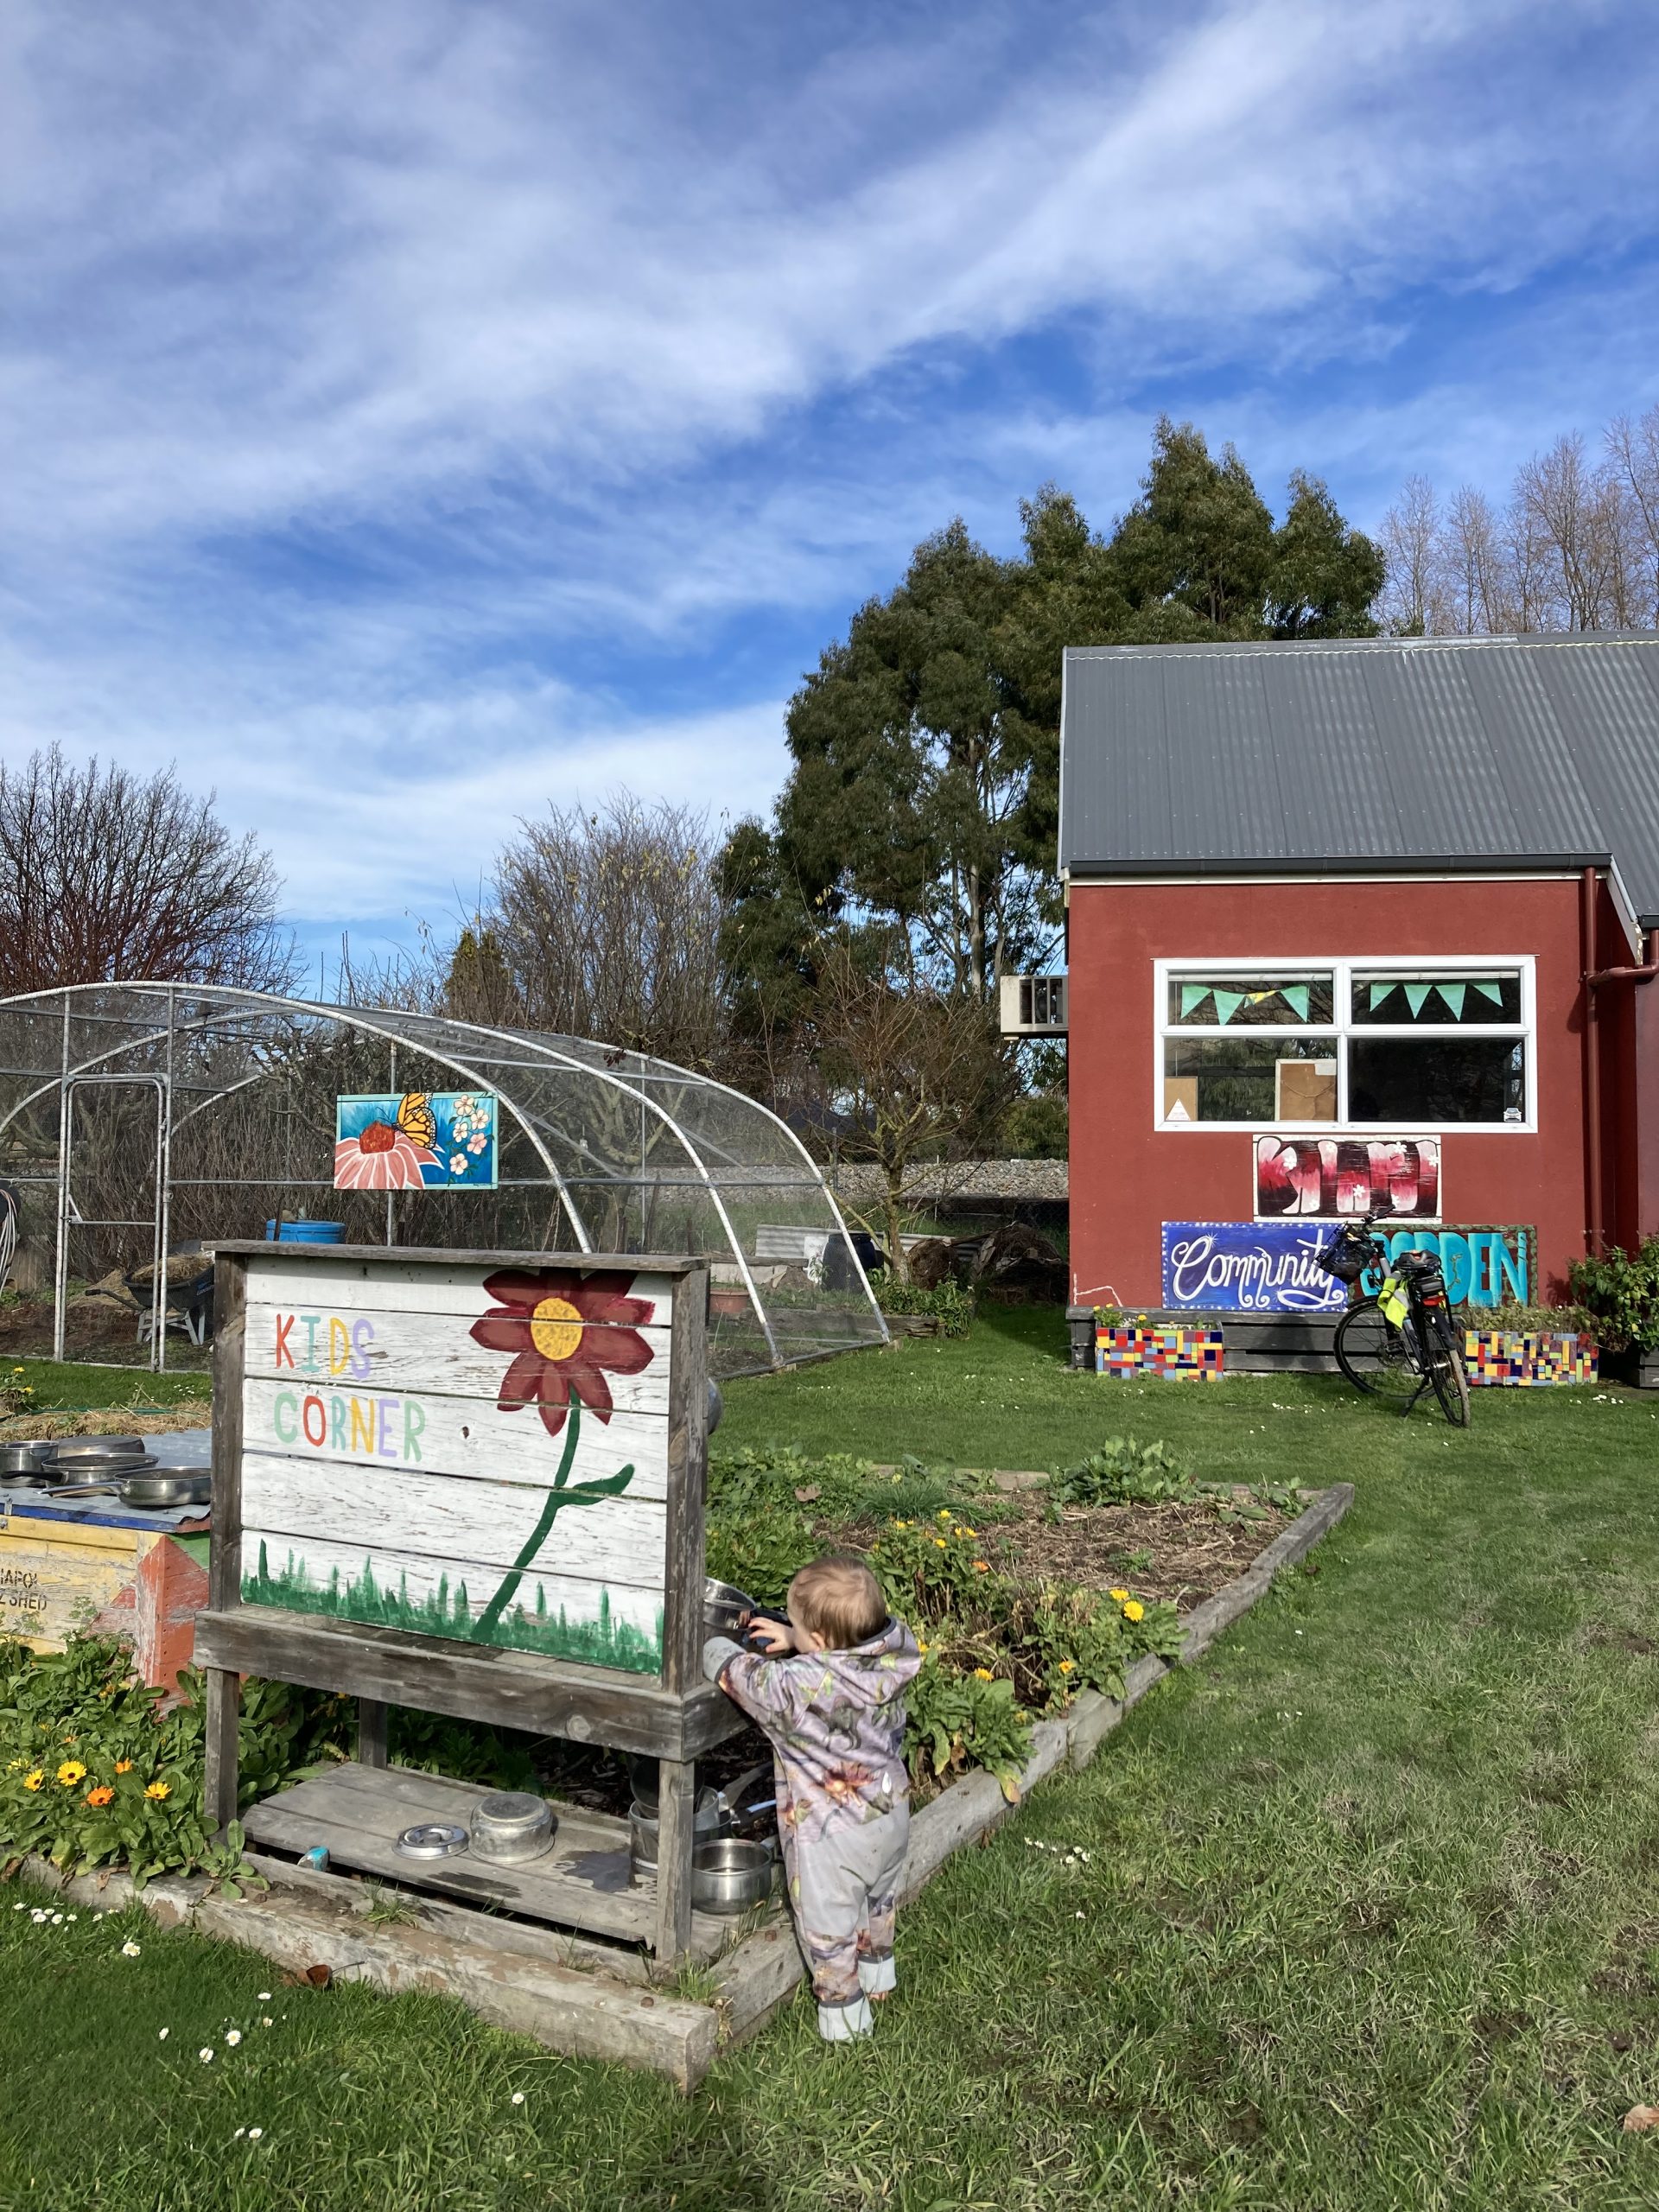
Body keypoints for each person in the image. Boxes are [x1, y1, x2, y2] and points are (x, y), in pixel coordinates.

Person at [702, 1553, 920, 2043]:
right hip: (890, 1812)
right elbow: (831, 1666)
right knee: (878, 1898)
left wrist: (713, 1646)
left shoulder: (794, 1689)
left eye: (797, 1627)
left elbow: (742, 1676)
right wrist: (795, 1639)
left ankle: (844, 2015)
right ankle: (878, 1970)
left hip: (831, 1837)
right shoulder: (888, 1657)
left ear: (819, 1642)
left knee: (828, 1925)